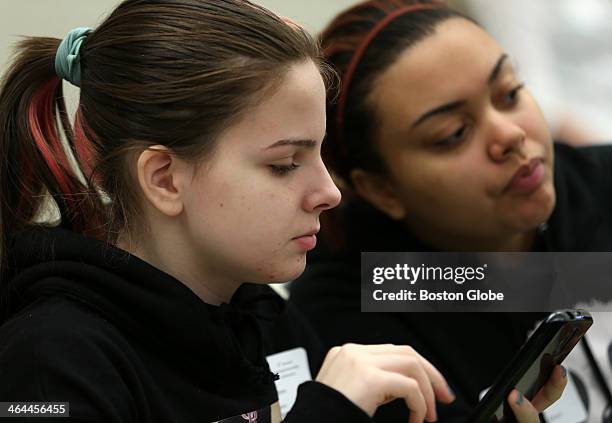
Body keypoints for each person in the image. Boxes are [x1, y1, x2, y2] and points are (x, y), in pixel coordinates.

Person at [0, 1, 470, 421]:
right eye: (285, 165)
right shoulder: (48, 360)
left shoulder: (262, 317)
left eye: (319, 155)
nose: (330, 192)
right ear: (165, 178)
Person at [288, 0, 610, 421]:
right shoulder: (356, 312)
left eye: (510, 93)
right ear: (382, 189)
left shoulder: (601, 185)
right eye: (454, 134)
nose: (511, 135)